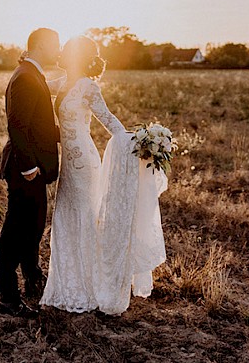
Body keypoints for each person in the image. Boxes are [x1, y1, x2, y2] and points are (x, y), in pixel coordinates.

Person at [40, 36, 167, 316]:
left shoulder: (87, 86)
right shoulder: (62, 82)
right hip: (68, 163)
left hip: (84, 161)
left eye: (67, 50)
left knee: (84, 216)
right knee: (66, 217)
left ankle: (87, 284)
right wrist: (28, 62)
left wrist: (142, 143)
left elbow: (110, 121)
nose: (61, 52)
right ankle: (68, 281)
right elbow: (37, 86)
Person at [0, 27, 64, 317]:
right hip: (25, 169)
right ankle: (8, 297)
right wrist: (29, 168)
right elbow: (18, 126)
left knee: (33, 227)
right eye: (55, 45)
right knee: (15, 231)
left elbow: (39, 124)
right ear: (40, 45)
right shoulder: (25, 77)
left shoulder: (31, 73)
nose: (58, 51)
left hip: (33, 167)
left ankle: (33, 278)